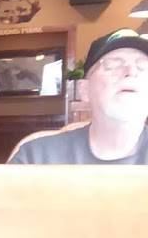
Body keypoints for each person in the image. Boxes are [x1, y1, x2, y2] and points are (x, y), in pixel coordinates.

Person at [10, 29, 148, 164]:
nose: (131, 71)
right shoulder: (36, 157)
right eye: (113, 65)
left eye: (144, 66)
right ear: (85, 90)